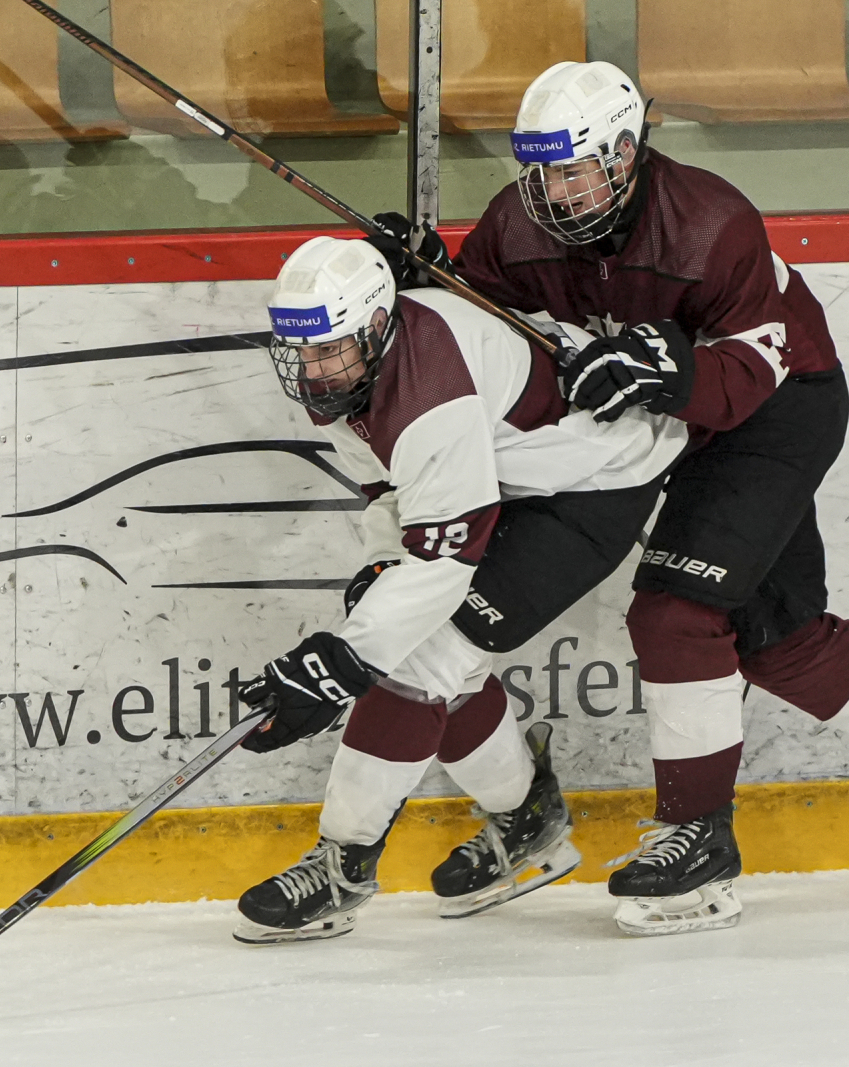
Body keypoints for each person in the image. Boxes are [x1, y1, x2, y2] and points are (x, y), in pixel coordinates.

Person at [368, 61, 849, 937]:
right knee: (774, 635)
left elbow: (749, 370)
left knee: (677, 612)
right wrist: (426, 281)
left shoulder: (711, 222)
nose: (554, 191)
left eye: (573, 170)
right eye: (539, 170)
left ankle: (697, 836)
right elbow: (490, 325)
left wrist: (666, 371)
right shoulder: (515, 222)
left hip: (771, 409)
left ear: (625, 153)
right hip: (657, 427)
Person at [230, 235, 688, 945]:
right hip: (509, 474)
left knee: (420, 661)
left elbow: (441, 564)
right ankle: (529, 820)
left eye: (328, 351)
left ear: (376, 326)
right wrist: (380, 571)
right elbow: (392, 492)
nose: (313, 371)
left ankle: (342, 866)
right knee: (441, 657)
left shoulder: (427, 388)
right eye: (301, 352)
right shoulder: (356, 369)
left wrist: (341, 661)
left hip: (592, 481)